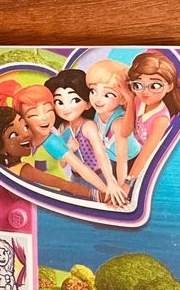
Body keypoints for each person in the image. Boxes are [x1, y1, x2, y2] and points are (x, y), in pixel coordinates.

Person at [0, 106, 109, 201]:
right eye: (13, 134)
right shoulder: (23, 170)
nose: (26, 134)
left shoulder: (6, 168)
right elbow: (61, 184)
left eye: (25, 127)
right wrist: (96, 195)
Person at [44, 69, 126, 204]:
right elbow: (62, 164)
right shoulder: (62, 128)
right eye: (59, 102)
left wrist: (111, 182)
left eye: (75, 100)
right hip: (76, 178)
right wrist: (68, 150)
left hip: (99, 178)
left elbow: (101, 153)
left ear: (87, 104)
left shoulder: (88, 126)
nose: (66, 108)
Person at [125, 51, 180, 186]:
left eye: (155, 86)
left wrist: (128, 182)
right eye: (138, 85)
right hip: (132, 152)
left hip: (146, 164)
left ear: (169, 86)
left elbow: (146, 154)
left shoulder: (160, 120)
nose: (145, 91)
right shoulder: (138, 100)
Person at [85, 59, 140, 186]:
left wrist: (122, 188)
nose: (97, 99)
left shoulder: (118, 123)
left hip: (129, 161)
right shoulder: (98, 111)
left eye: (107, 95)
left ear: (122, 99)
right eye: (93, 91)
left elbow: (122, 160)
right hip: (110, 157)